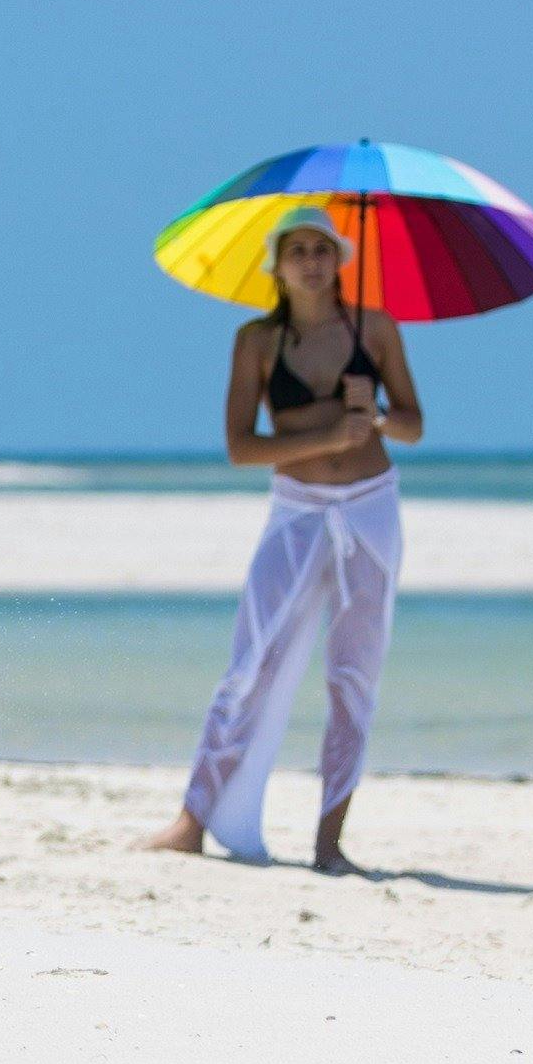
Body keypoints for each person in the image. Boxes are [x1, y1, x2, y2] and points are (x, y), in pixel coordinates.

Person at [150, 204, 423, 872]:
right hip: (297, 508)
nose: (310, 260)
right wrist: (328, 434)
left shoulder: (378, 329)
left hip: (370, 508)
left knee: (355, 672)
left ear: (340, 259)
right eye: (297, 249)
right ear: (275, 263)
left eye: (321, 248)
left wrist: (378, 416)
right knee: (251, 661)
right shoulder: (257, 341)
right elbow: (241, 446)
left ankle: (330, 842)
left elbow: (414, 424)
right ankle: (193, 820)